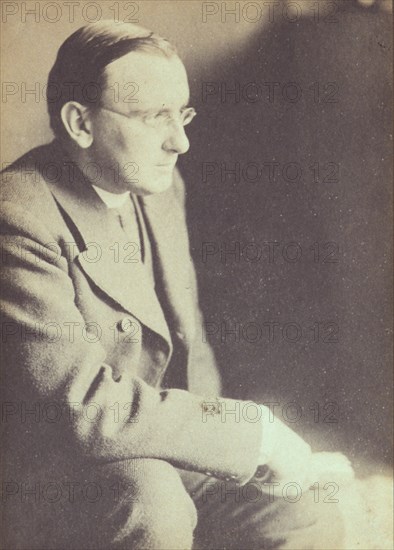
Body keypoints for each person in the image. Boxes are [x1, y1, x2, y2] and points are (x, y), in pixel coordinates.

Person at [0, 21, 353, 549]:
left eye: (182, 113)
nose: (180, 141)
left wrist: (232, 450)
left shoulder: (156, 185)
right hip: (67, 470)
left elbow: (189, 340)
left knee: (300, 507)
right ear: (79, 122)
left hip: (160, 436)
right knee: (155, 502)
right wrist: (247, 430)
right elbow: (84, 409)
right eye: (153, 117)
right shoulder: (20, 216)